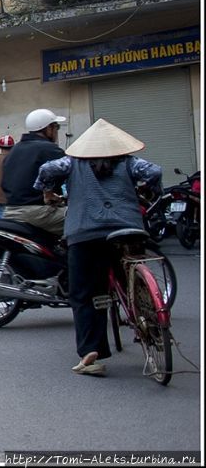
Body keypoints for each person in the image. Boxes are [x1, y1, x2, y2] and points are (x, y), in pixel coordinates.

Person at [33, 119, 162, 377]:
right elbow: (154, 172)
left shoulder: (72, 162)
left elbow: (48, 170)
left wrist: (47, 193)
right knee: (130, 276)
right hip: (127, 229)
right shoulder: (129, 162)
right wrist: (147, 191)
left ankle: (91, 352)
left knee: (83, 293)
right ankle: (151, 319)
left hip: (85, 233)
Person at [1, 109, 68, 235]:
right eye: (56, 127)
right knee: (84, 220)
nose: (56, 131)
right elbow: (71, 176)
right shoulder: (50, 149)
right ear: (47, 129)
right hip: (37, 213)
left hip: (9, 210)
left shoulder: (15, 150)